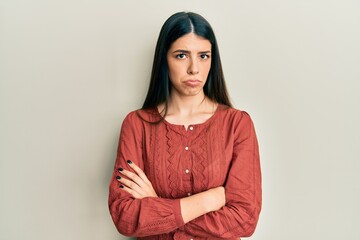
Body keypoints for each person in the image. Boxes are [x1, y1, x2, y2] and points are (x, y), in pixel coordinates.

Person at [108, 11, 262, 240]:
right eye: (181, 56)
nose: (194, 68)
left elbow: (245, 219)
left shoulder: (237, 124)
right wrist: (208, 200)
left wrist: (157, 207)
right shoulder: (137, 125)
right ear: (164, 59)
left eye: (203, 56)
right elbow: (125, 217)